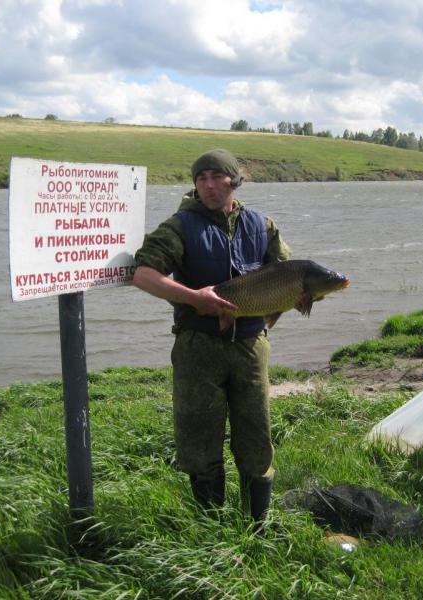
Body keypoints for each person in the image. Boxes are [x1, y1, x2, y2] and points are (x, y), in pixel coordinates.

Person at [132, 149, 291, 524]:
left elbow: (288, 275)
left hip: (250, 347)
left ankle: (258, 527)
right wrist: (194, 299)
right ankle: (209, 529)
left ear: (232, 181)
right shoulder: (180, 226)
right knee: (199, 439)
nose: (207, 185)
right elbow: (143, 275)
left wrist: (271, 318)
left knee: (256, 436)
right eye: (200, 179)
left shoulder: (261, 225)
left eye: (215, 177)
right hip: (197, 346)